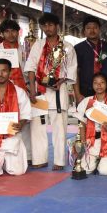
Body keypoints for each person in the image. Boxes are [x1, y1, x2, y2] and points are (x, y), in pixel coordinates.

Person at [24, 12, 77, 171]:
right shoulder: (38, 45)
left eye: (51, 25)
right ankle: (40, 158)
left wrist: (60, 81)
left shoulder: (67, 47)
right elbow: (31, 67)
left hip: (58, 91)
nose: (48, 28)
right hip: (39, 91)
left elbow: (71, 70)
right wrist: (32, 90)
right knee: (37, 125)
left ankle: (59, 161)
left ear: (57, 26)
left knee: (59, 127)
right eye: (45, 25)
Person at [0, 19, 30, 162]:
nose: (10, 34)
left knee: (24, 122)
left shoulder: (25, 49)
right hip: (1, 90)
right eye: (7, 31)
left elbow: (31, 70)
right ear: (2, 33)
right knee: (3, 122)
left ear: (18, 32)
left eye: (13, 31)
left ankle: (26, 156)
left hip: (22, 89)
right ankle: (0, 153)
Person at [73, 73, 107, 175]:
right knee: (85, 170)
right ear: (92, 85)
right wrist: (83, 141)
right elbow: (82, 123)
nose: (99, 85)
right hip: (91, 141)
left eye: (102, 82)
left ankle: (104, 161)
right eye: (95, 83)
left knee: (105, 171)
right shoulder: (87, 101)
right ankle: (95, 160)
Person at [74, 16, 107, 103]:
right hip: (85, 92)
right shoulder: (78, 48)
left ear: (99, 30)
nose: (92, 30)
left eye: (95, 27)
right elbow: (75, 72)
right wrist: (77, 94)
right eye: (88, 28)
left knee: (106, 112)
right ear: (84, 31)